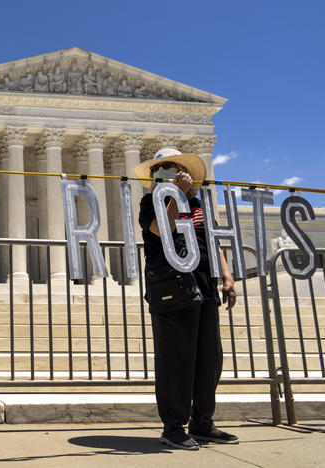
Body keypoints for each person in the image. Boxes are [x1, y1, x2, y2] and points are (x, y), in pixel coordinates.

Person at [134, 148, 239, 450]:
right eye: (163, 169)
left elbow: (211, 239)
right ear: (155, 178)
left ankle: (202, 421)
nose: (170, 173)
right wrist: (174, 197)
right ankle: (173, 426)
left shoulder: (197, 204)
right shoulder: (150, 203)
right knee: (176, 359)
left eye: (175, 168)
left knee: (209, 358)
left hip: (204, 287)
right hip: (173, 288)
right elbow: (161, 229)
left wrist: (227, 275)